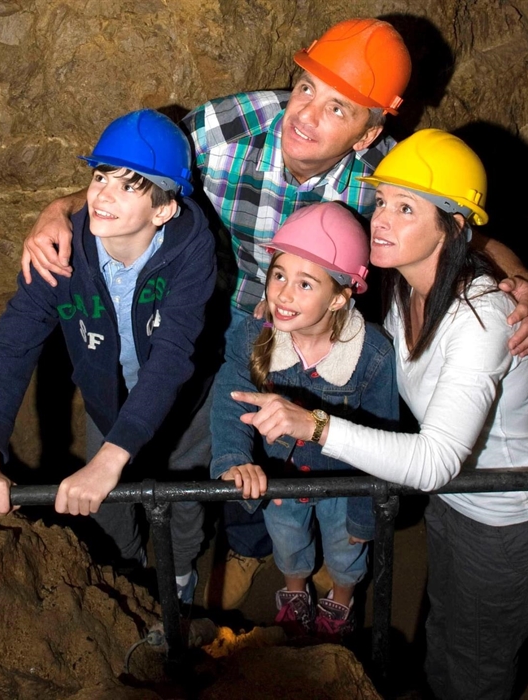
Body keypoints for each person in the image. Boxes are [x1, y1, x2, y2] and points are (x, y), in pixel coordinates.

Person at [19, 18, 528, 609]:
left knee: (312, 443)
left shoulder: (385, 177)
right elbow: (136, 177)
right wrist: (60, 208)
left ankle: (340, 558)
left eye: (338, 108)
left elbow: (451, 230)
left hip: (324, 329)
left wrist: (517, 274)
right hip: (219, 321)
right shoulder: (224, 131)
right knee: (233, 444)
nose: (306, 115)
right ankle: (248, 550)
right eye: (305, 89)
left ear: (369, 135)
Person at [232, 129, 528, 699]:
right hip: (456, 503)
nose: (381, 219)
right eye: (382, 201)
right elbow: (330, 293)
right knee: (443, 627)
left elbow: (435, 460)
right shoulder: (397, 287)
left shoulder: (481, 317)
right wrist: (282, 303)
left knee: (479, 663)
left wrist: (312, 425)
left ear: (453, 227)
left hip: (508, 514)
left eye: (405, 208)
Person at [0, 109, 217, 605]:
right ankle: (126, 576)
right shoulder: (59, 251)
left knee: (182, 493)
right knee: (104, 505)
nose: (103, 194)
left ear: (163, 209)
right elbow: (12, 346)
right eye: (100, 176)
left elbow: (171, 358)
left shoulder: (191, 250)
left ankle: (180, 575)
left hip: (184, 402)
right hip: (108, 398)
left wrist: (111, 459)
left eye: (130, 185)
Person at [210, 202, 399, 639]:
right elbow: (229, 396)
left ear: (339, 297)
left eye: (305, 283)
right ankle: (295, 590)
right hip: (280, 478)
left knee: (345, 548)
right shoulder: (252, 335)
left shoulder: (373, 355)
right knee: (288, 541)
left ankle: (342, 596)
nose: (283, 294)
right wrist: (234, 457)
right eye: (279, 275)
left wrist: (364, 517)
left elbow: (386, 437)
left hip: (345, 484)